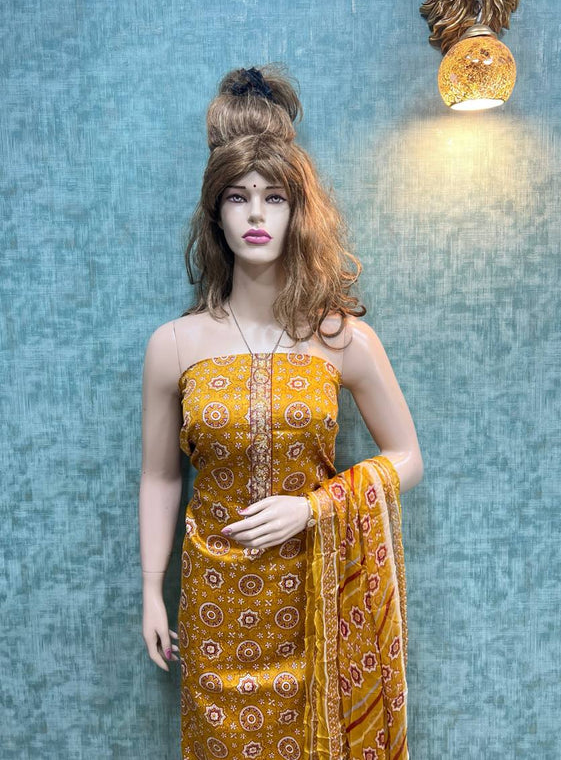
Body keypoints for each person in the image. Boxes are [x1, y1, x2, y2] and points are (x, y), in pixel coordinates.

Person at [139, 65, 423, 760]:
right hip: (216, 600)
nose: (256, 215)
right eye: (238, 197)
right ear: (216, 214)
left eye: (274, 197)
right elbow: (160, 477)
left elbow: (407, 457)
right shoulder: (173, 345)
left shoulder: (342, 340)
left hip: (314, 599)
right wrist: (150, 589)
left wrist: (314, 508)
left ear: (297, 213)